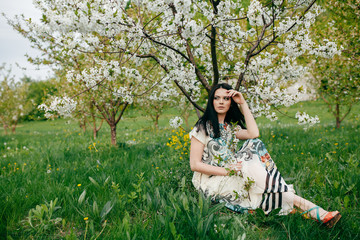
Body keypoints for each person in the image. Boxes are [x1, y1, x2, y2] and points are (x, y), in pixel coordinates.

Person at [189, 83, 341, 228]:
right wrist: (227, 171)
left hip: (233, 174)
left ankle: (320, 214)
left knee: (255, 145)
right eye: (217, 98)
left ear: (230, 103)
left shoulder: (230, 128)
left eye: (226, 98)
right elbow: (195, 165)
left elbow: (254, 133)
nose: (221, 102)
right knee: (260, 184)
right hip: (210, 182)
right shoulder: (202, 127)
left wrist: (243, 103)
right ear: (211, 101)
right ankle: (313, 211)